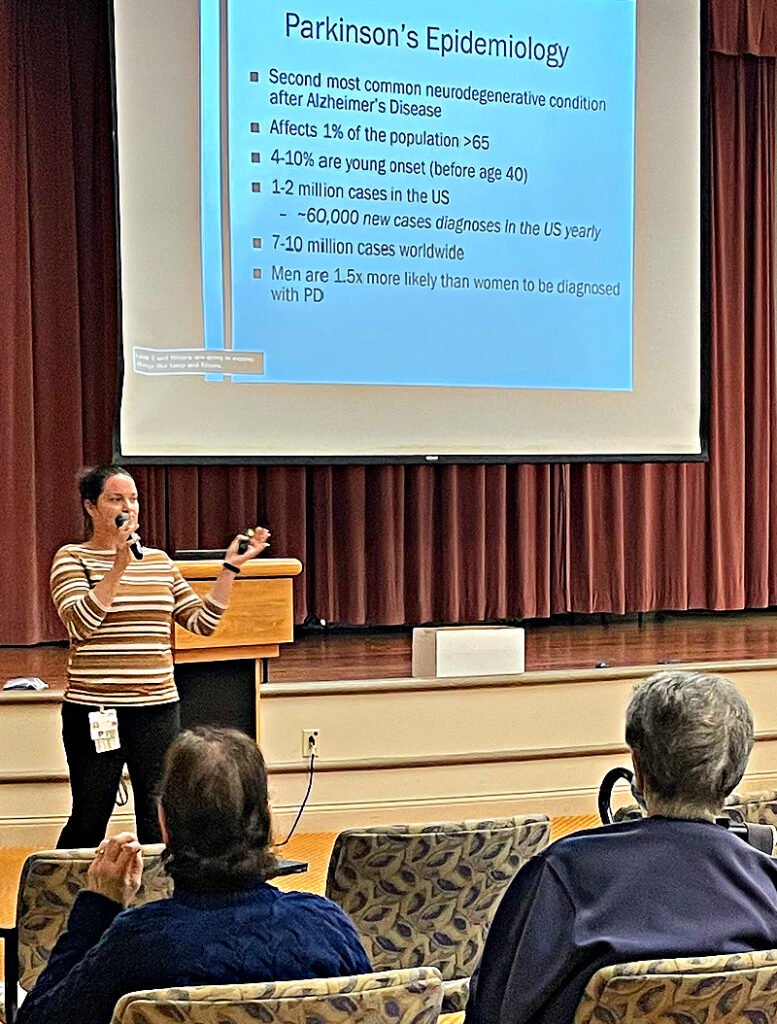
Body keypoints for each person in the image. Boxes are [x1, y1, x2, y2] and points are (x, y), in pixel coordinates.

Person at [465, 670, 777, 1024]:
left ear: (638, 771)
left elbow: (491, 1013)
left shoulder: (561, 874)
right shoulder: (769, 886)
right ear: (734, 774)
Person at [16, 727, 371, 1024]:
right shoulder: (326, 926)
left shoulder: (135, 945)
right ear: (265, 819)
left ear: (164, 824)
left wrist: (97, 907)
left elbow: (38, 1020)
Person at [50, 463, 270, 847]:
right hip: (96, 708)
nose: (128, 507)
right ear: (91, 507)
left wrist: (230, 569)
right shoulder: (71, 559)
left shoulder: (159, 563)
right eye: (116, 499)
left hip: (157, 708)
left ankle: (157, 902)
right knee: (90, 814)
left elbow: (201, 623)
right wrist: (119, 564)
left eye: (133, 499)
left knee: (159, 817)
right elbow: (80, 623)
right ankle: (68, 899)